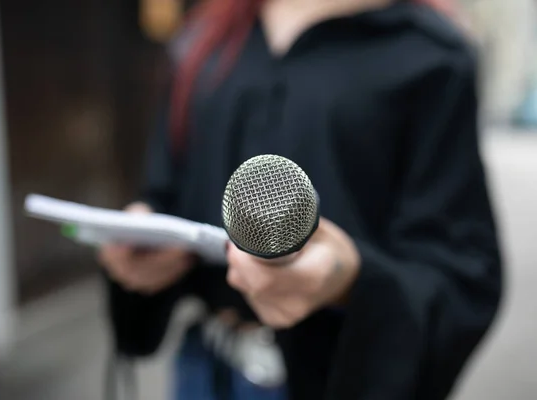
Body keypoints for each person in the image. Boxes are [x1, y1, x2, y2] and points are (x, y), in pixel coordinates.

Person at [99, 0, 503, 399]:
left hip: (334, 380)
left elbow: (460, 267)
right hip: (206, 368)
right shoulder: (203, 40)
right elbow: (166, 190)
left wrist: (348, 278)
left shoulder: (428, 54)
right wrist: (145, 243)